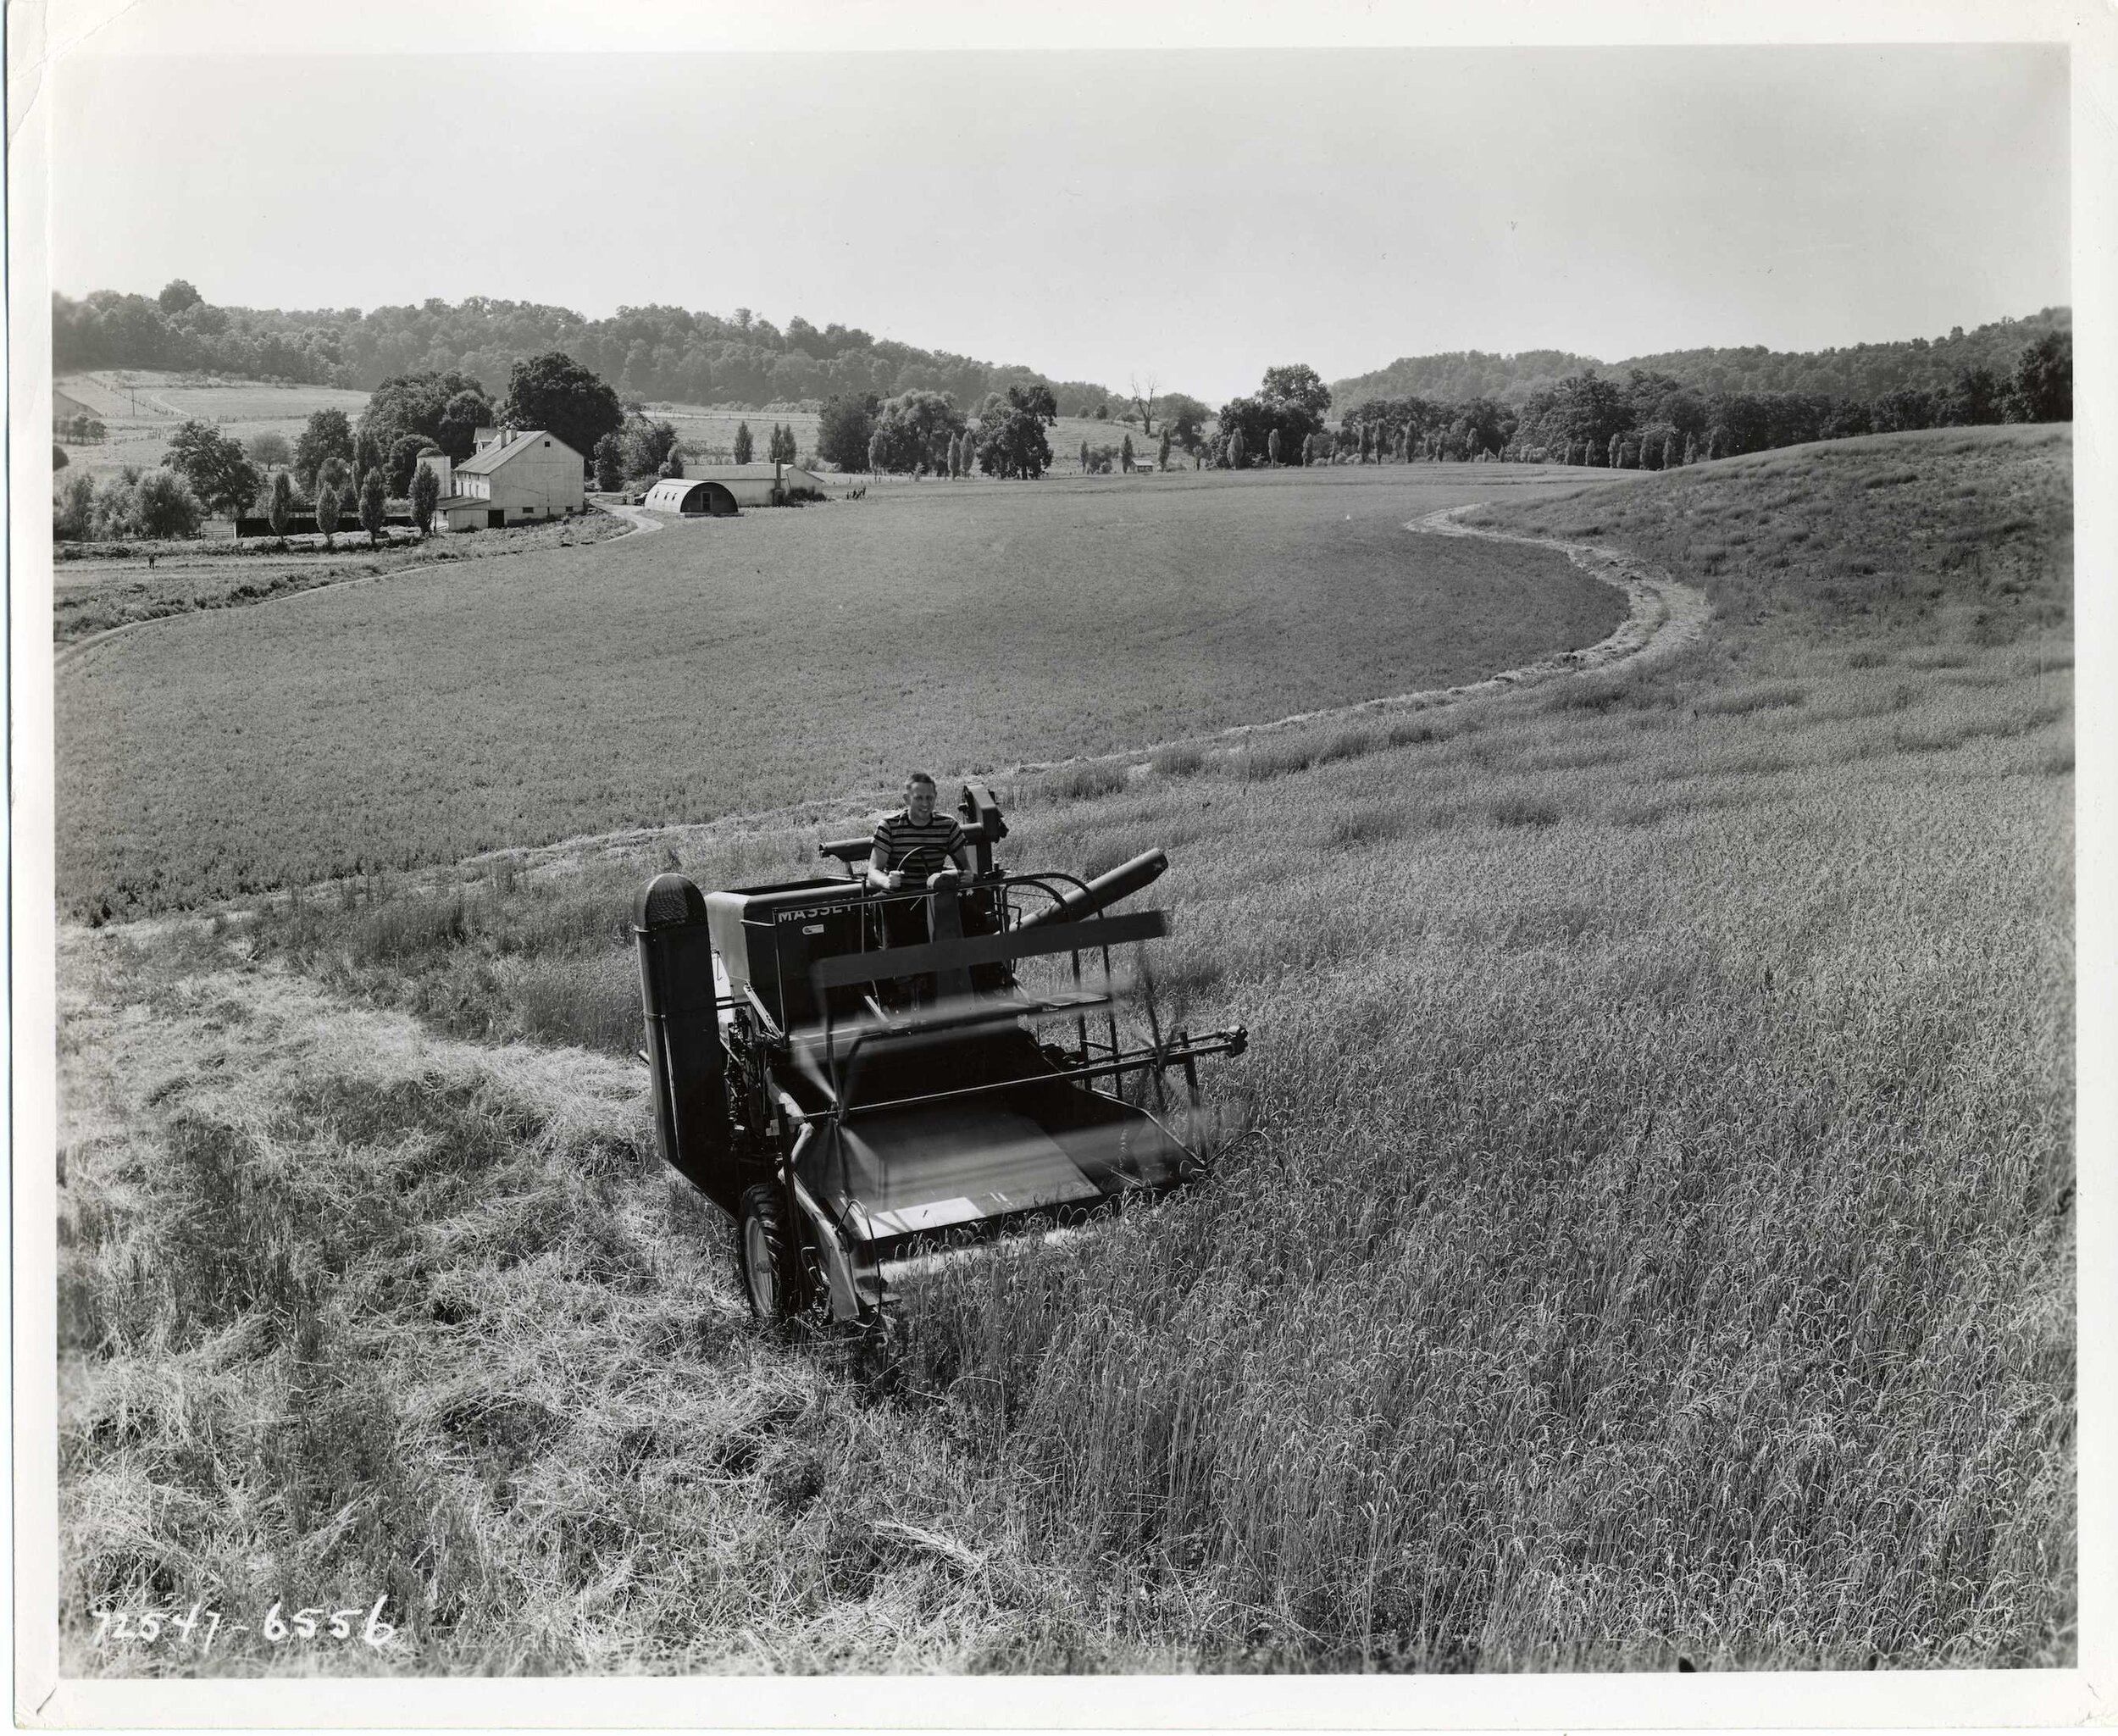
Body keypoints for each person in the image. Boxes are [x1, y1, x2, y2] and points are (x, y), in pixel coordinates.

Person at [868, 773, 974, 1000]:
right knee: (888, 905)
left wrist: (967, 877)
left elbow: (965, 867)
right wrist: (887, 881)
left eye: (930, 798)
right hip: (902, 899)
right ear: (907, 799)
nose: (925, 804)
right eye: (919, 798)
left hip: (935, 897)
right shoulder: (889, 826)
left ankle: (984, 974)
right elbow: (873, 872)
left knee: (976, 917)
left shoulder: (948, 825)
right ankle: (903, 981)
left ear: (936, 798)